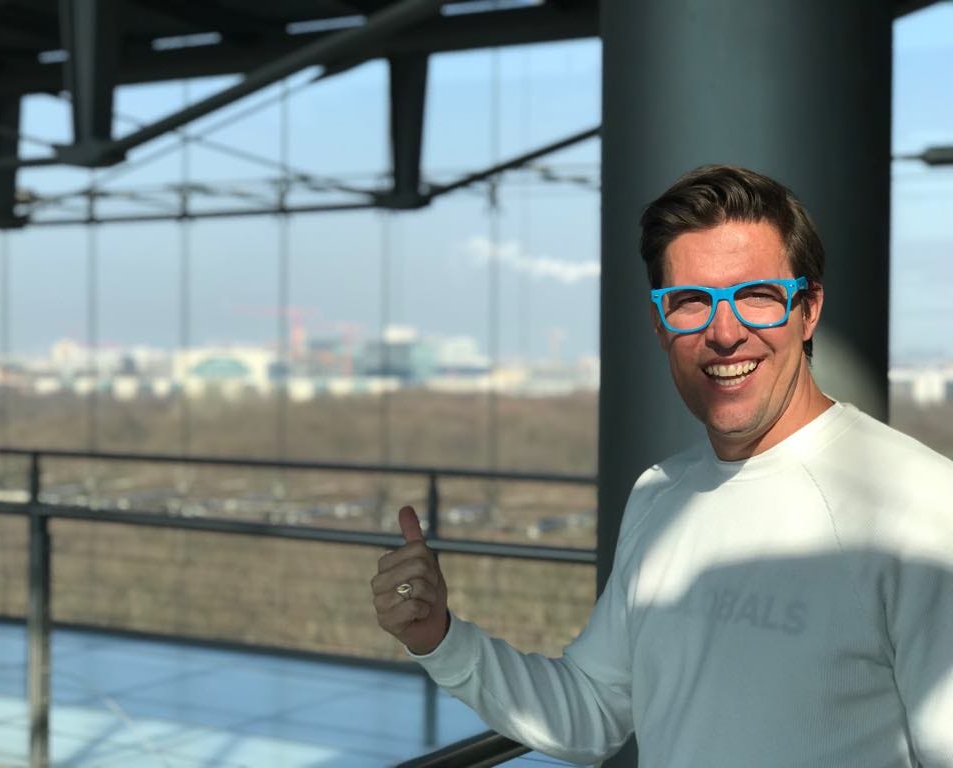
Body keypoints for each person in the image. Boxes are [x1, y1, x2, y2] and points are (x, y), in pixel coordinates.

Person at [370, 165, 953, 767]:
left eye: (756, 296)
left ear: (807, 310)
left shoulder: (922, 504)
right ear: (659, 325)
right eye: (691, 302)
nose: (724, 332)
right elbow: (592, 711)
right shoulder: (660, 494)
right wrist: (439, 637)